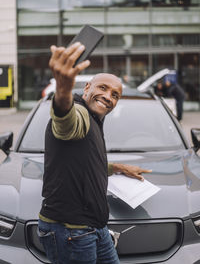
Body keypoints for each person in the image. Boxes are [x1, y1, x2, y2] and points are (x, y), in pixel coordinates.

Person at [38, 42, 152, 264]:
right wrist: (63, 89)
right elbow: (65, 120)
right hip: (71, 232)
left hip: (96, 228)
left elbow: (82, 161)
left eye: (115, 95)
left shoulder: (96, 120)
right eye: (102, 88)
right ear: (87, 87)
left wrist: (116, 168)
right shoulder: (79, 112)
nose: (109, 97)